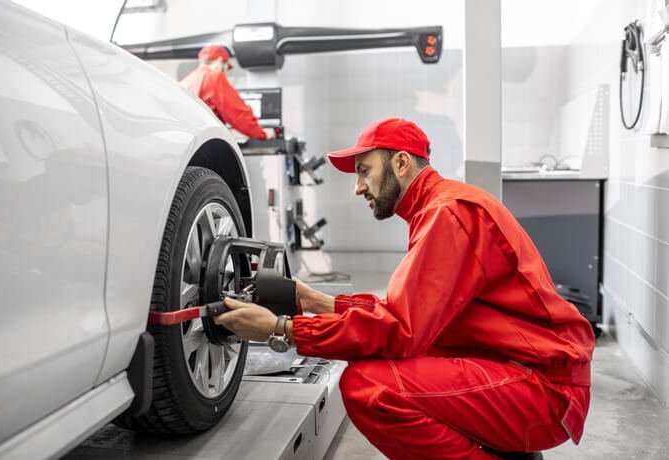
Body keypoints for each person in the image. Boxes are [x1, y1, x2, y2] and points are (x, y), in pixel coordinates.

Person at [214, 118, 595, 460]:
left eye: (364, 171)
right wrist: (316, 300)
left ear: (400, 163)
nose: (358, 187)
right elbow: (407, 311)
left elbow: (400, 329)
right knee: (388, 361)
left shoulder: (447, 214)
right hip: (524, 373)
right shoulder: (442, 206)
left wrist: (279, 330)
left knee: (368, 387)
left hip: (545, 392)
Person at [180, 44, 276, 140]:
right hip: (206, 142)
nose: (224, 72)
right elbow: (237, 113)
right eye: (225, 67)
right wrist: (262, 133)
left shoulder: (186, 81)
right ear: (220, 61)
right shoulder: (213, 77)